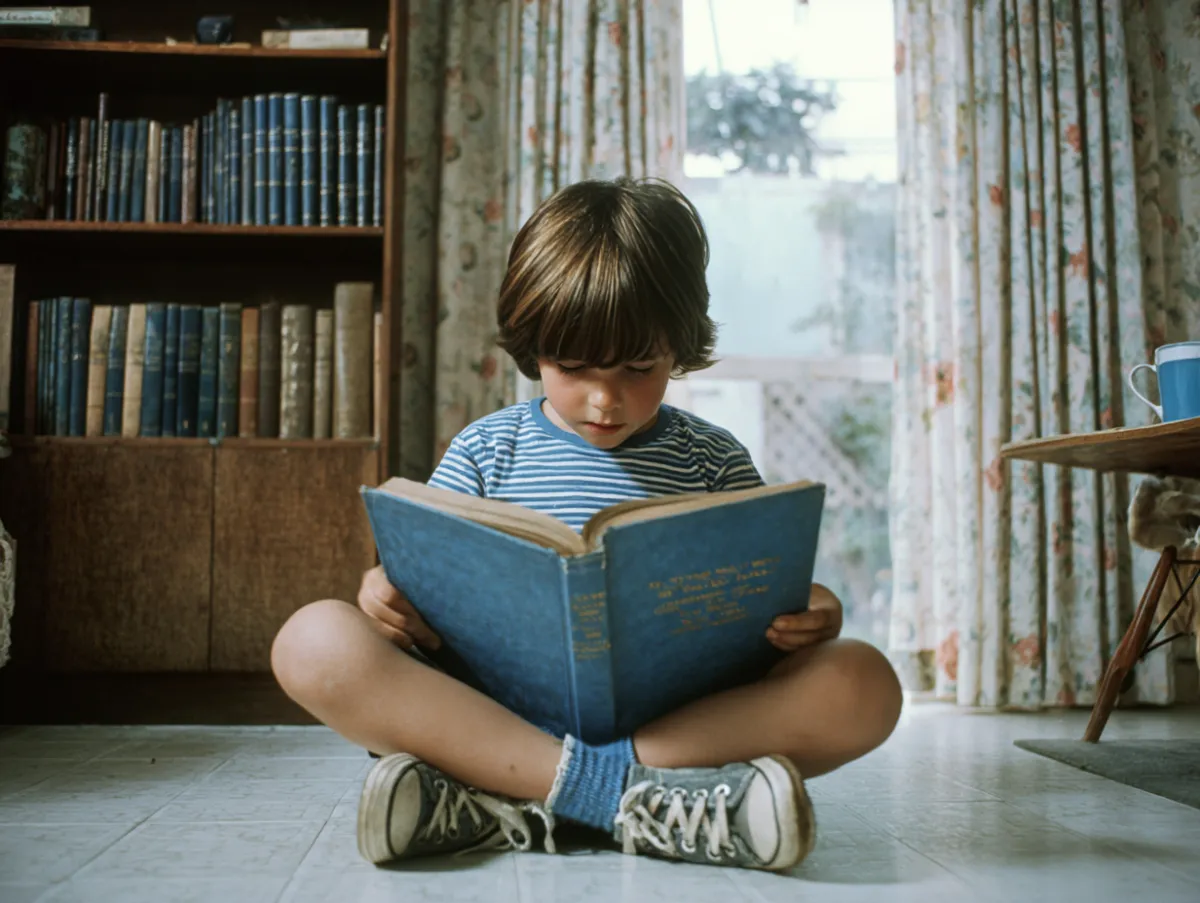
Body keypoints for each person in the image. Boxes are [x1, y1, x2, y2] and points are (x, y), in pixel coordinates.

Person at [271, 177, 903, 872]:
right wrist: (382, 594)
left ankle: (488, 798)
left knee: (865, 682)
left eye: (640, 366)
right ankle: (656, 801)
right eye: (573, 366)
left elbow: (763, 603)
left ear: (679, 346)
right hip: (493, 717)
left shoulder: (715, 460)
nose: (605, 399)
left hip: (672, 721)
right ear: (533, 342)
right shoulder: (485, 451)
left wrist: (813, 611)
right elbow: (416, 580)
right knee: (312, 639)